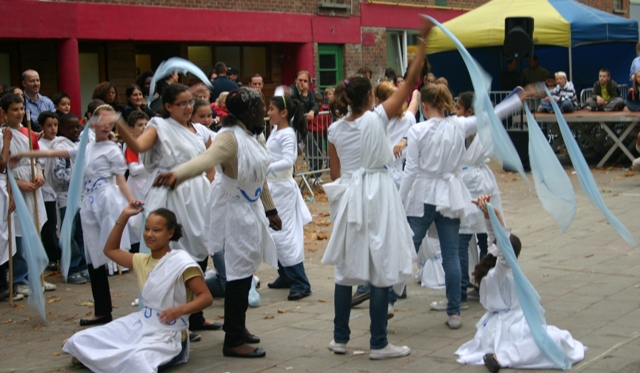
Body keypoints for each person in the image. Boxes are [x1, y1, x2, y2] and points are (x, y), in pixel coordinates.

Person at [321, 22, 431, 361]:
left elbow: (335, 173)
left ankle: (340, 338)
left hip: (350, 194)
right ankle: (379, 343)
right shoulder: (376, 119)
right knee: (381, 264)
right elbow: (409, 86)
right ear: (370, 96)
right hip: (378, 193)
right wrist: (421, 48)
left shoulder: (335, 129)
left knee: (346, 268)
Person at [153, 86, 283, 358]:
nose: (265, 114)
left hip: (250, 208)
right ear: (246, 113)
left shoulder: (254, 134)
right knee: (237, 274)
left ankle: (239, 327)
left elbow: (258, 176)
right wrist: (177, 174)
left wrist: (270, 210)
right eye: (260, 109)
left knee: (246, 270)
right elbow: (204, 161)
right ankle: (233, 340)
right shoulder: (229, 138)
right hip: (233, 211)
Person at [399, 79, 536, 329]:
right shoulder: (459, 125)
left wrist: (400, 199)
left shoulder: (418, 130)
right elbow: (493, 116)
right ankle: (454, 311)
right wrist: (516, 99)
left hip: (424, 194)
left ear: (426, 106)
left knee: (407, 245)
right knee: (451, 253)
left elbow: (412, 169)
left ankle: (389, 296)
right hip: (450, 194)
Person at [16, 104, 135, 325]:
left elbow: (121, 179)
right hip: (88, 204)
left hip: (107, 201)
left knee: (114, 252)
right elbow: (53, 152)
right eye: (101, 119)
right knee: (93, 256)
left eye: (110, 121)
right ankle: (102, 310)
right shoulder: (85, 148)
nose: (105, 124)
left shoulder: (113, 149)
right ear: (91, 120)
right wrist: (25, 152)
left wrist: (132, 203)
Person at [115, 83, 219, 332]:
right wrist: (118, 123)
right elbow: (139, 147)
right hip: (171, 194)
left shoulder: (200, 130)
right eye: (181, 103)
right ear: (168, 106)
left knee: (200, 250)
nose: (187, 107)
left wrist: (211, 183)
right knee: (173, 253)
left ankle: (195, 316)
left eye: (190, 102)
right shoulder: (159, 126)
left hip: (198, 193)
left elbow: (210, 159)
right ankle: (175, 318)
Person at [62, 203, 213, 372]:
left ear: (170, 233)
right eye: (147, 229)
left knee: (138, 359)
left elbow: (206, 297)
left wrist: (179, 310)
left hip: (169, 334)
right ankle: (99, 357)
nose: (149, 234)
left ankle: (99, 359)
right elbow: (110, 250)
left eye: (156, 230)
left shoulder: (182, 262)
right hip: (143, 323)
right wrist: (124, 216)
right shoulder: (141, 260)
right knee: (80, 339)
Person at [455, 195, 586, 372]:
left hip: (503, 324)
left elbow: (493, 238)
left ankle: (500, 357)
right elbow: (501, 247)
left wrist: (489, 214)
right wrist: (496, 216)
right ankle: (500, 359)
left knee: (555, 337)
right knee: (553, 340)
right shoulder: (497, 273)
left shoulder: (493, 270)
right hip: (507, 326)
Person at [0, 93, 53, 296]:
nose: (20, 113)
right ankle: (19, 279)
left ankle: (37, 276)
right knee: (19, 234)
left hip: (33, 185)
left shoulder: (29, 132)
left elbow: (37, 159)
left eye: (22, 109)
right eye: (15, 109)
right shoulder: (2, 135)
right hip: (14, 187)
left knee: (35, 231)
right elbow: (4, 166)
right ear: (4, 113)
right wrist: (18, 183)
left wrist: (39, 174)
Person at [265, 95, 313, 301]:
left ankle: (300, 281)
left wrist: (264, 166)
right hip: (272, 187)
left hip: (281, 189)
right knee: (273, 233)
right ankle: (285, 274)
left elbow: (289, 160)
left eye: (271, 109)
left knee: (283, 234)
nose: (268, 113)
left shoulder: (287, 134)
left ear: (283, 113)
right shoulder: (276, 130)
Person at [48, 113, 89, 284]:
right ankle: (71, 267)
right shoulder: (59, 148)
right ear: (62, 129)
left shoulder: (82, 145)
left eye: (77, 126)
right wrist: (79, 172)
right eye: (70, 127)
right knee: (69, 234)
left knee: (82, 232)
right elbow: (58, 175)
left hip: (82, 195)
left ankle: (83, 265)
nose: (75, 130)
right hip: (66, 197)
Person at [37, 111, 61, 272]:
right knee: (49, 225)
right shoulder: (39, 144)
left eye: (55, 125)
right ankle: (51, 256)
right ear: (42, 127)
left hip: (61, 190)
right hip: (46, 191)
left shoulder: (61, 142)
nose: (53, 129)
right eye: (49, 126)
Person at [124, 111, 151, 254]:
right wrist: (151, 165)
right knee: (136, 221)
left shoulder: (151, 143)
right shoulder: (132, 146)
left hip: (149, 184)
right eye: (140, 125)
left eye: (146, 124)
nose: (144, 127)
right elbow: (133, 170)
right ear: (131, 128)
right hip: (136, 186)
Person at [0, 126, 21, 301]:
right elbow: (1, 164)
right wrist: (6, 142)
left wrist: (11, 192)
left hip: (3, 189)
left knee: (5, 236)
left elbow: (7, 170)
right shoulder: (4, 137)